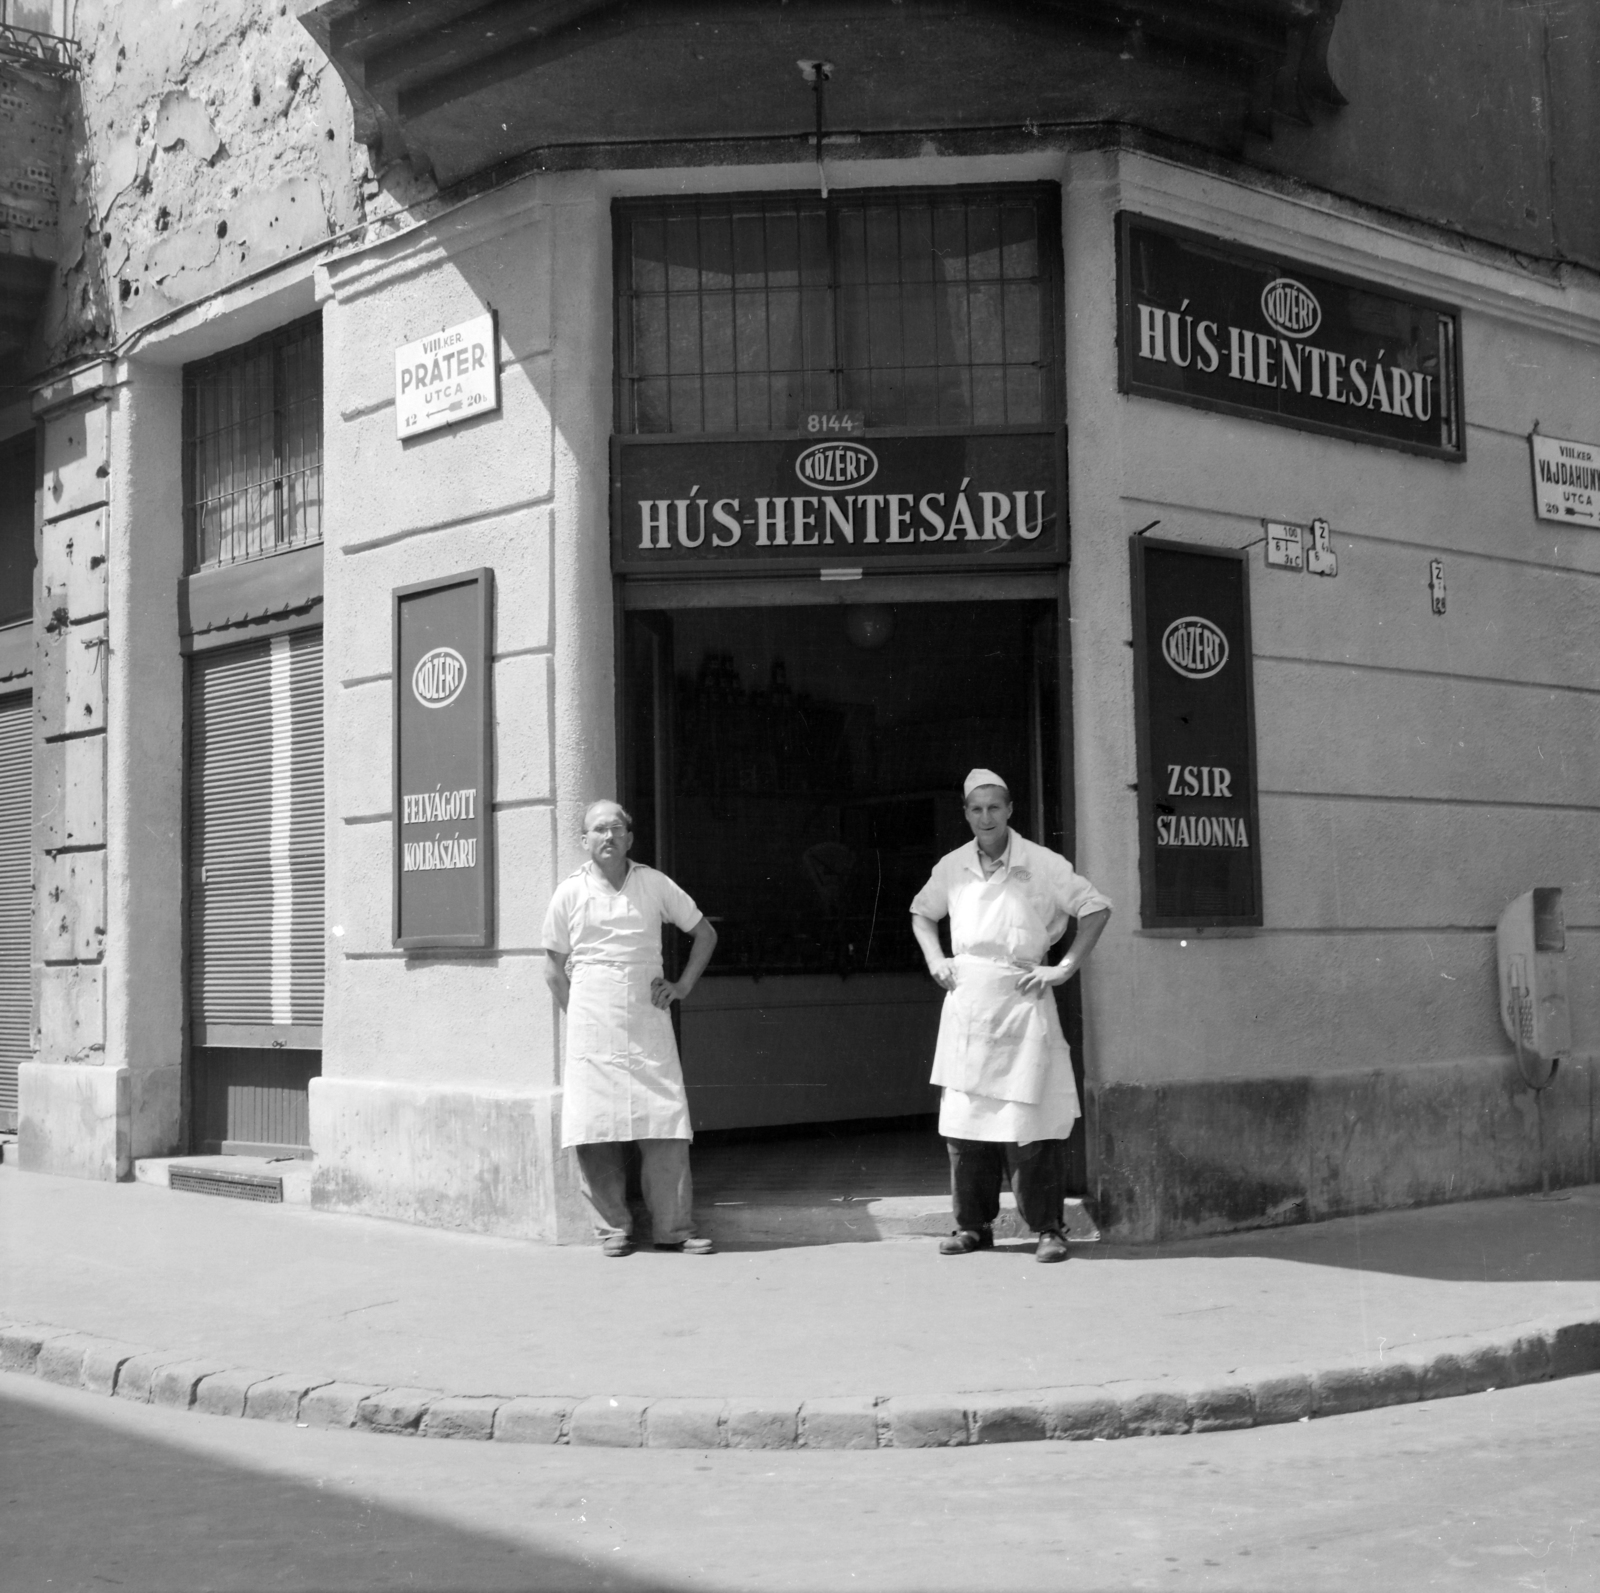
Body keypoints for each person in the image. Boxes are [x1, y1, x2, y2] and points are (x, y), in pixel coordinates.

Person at [910, 770, 1111, 1263]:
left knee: (1031, 1126)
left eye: (994, 808)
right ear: (966, 813)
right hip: (968, 1008)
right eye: (976, 809)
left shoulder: (1041, 863)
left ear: (1010, 809)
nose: (986, 818)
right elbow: (922, 912)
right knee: (965, 1124)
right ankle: (972, 1227)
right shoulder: (953, 866)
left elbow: (1096, 907)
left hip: (1022, 1004)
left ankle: (1048, 1229)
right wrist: (936, 959)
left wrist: (1062, 968)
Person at [541, 800, 719, 1257]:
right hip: (591, 1021)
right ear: (584, 841)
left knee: (664, 1120)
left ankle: (675, 1229)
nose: (608, 837)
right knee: (595, 1127)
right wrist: (577, 1014)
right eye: (598, 830)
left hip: (646, 1014)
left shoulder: (654, 884)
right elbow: (553, 969)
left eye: (616, 829)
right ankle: (612, 1229)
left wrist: (680, 987)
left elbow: (705, 934)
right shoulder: (569, 893)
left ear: (630, 838)